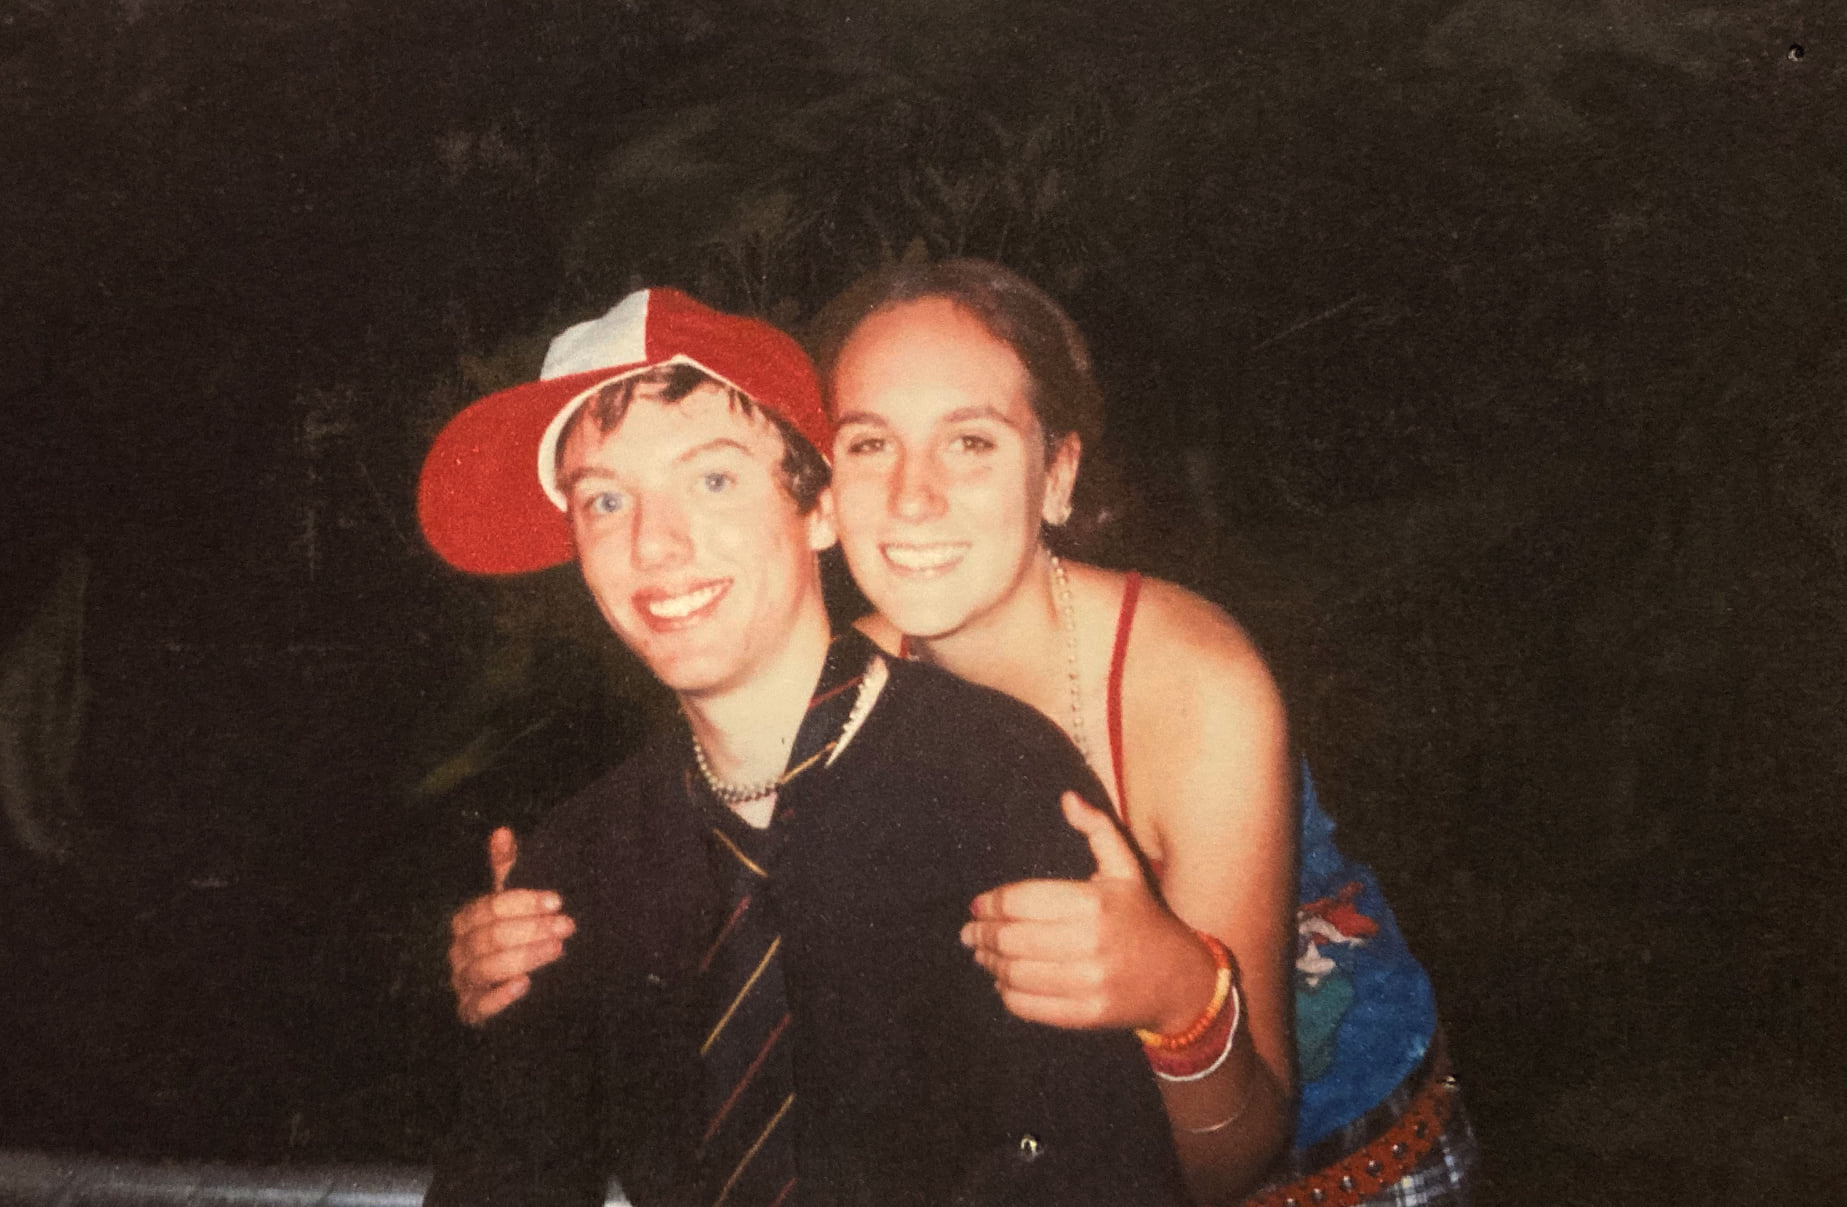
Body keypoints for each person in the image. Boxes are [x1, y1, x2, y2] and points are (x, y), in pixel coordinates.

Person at [447, 262, 1479, 1205]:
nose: (913, 495)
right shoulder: (843, 700)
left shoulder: (1191, 681)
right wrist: (550, 947)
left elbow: (1232, 1152)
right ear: (824, 482)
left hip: (1338, 1157)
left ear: (1058, 475)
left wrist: (1175, 990)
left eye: (970, 441)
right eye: (869, 444)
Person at [417, 286, 1189, 1207]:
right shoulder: (577, 863)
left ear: (818, 508)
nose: (653, 545)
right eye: (606, 499)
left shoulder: (997, 783)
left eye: (711, 480)